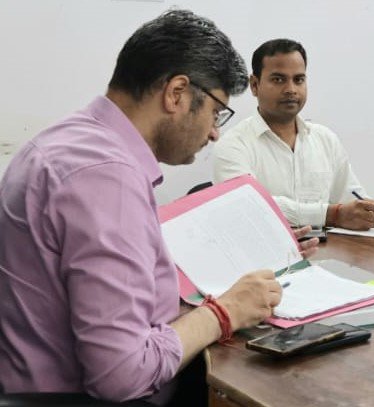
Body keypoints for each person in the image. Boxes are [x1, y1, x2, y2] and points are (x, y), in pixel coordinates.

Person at [0, 10, 317, 404]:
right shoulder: (105, 178)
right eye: (216, 112)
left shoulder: (71, 141)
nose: (215, 133)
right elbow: (121, 374)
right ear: (176, 93)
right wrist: (226, 311)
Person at [213, 38, 374, 231]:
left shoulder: (325, 139)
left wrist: (366, 212)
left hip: (329, 249)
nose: (291, 90)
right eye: (278, 80)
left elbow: (351, 197)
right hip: (265, 250)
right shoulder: (233, 145)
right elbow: (249, 206)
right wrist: (333, 215)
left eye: (298, 80)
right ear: (254, 85)